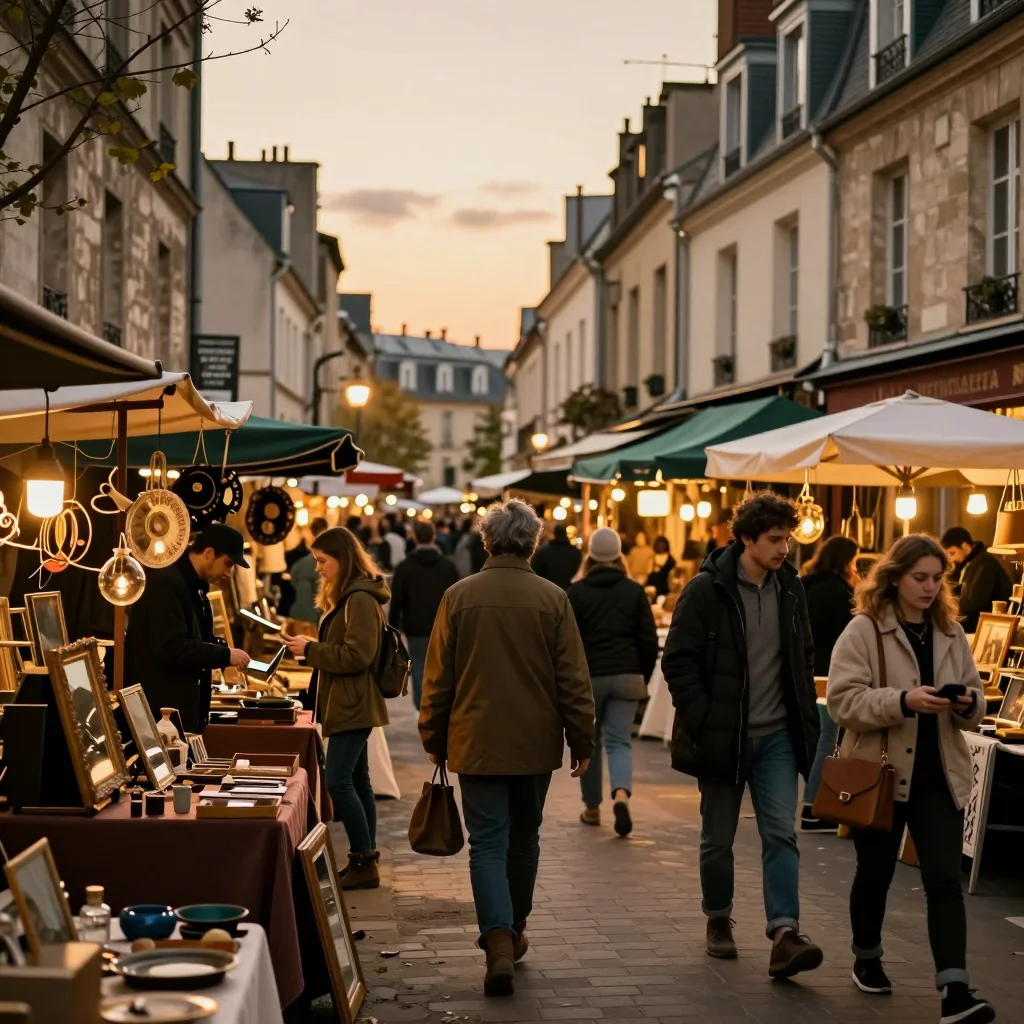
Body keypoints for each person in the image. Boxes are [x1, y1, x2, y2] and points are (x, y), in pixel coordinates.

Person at [419, 499, 595, 997]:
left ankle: (497, 937)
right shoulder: (553, 599)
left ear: (487, 541)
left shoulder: (459, 596)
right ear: (533, 543)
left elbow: (438, 679)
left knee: (488, 842)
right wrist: (581, 738)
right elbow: (573, 679)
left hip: (475, 740)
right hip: (535, 743)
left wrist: (434, 736)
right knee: (525, 838)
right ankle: (513, 929)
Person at [828, 534, 992, 1024]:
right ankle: (867, 955)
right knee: (875, 873)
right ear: (895, 576)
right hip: (881, 776)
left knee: (944, 880)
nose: (929, 587)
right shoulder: (864, 631)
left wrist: (966, 703)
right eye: (920, 577)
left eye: (937, 578)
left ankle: (955, 991)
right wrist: (902, 701)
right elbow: (843, 701)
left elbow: (978, 700)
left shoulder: (950, 630)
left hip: (938, 775)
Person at [661, 492, 822, 977]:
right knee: (718, 838)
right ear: (747, 538)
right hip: (723, 736)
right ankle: (717, 919)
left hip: (776, 735)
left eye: (788, 538)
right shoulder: (706, 590)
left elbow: (805, 653)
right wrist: (705, 717)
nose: (785, 548)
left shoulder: (791, 589)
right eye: (775, 539)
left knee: (781, 833)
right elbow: (678, 660)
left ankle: (784, 933)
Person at [282, 527, 390, 891]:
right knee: (358, 782)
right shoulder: (352, 596)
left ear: (342, 560)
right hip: (349, 699)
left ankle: (363, 860)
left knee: (338, 781)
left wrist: (310, 650)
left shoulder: (358, 598)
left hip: (353, 701)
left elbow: (359, 654)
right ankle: (366, 858)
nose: (318, 569)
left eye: (323, 561)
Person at [567, 527, 658, 835]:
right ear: (620, 555)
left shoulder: (575, 592)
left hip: (588, 678)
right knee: (620, 742)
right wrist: (640, 675)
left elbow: (568, 643)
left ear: (590, 555)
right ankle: (621, 793)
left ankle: (592, 808)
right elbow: (647, 640)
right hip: (627, 674)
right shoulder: (634, 590)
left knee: (588, 744)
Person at [125, 523, 251, 733]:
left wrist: (219, 649)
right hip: (162, 712)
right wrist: (224, 654)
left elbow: (195, 636)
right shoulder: (167, 583)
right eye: (228, 563)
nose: (229, 572)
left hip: (179, 707)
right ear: (209, 553)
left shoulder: (193, 585)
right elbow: (170, 646)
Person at [799, 535, 859, 832]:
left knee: (821, 737)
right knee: (827, 738)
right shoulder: (839, 593)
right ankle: (813, 808)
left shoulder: (805, 585)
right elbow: (847, 637)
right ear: (844, 561)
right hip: (829, 672)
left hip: (807, 670)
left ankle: (814, 806)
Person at [389, 519, 459, 709]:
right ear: (434, 536)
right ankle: (441, 706)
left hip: (415, 626)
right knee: (443, 667)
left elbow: (397, 602)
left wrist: (393, 629)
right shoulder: (448, 566)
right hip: (444, 626)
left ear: (414, 537)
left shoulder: (405, 567)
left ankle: (423, 708)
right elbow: (457, 598)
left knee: (419, 667)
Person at [941, 526, 1012, 633]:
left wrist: (945, 607)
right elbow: (964, 592)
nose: (952, 559)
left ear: (965, 546)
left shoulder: (985, 564)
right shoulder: (973, 562)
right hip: (980, 623)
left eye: (952, 553)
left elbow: (972, 603)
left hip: (989, 627)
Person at [289, 517, 328, 626]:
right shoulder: (329, 564)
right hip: (317, 617)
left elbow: (294, 583)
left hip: (297, 614)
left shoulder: (299, 565)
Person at [531, 523, 582, 591]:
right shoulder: (576, 553)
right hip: (568, 592)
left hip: (547, 591)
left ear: (554, 534)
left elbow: (534, 572)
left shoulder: (542, 552)